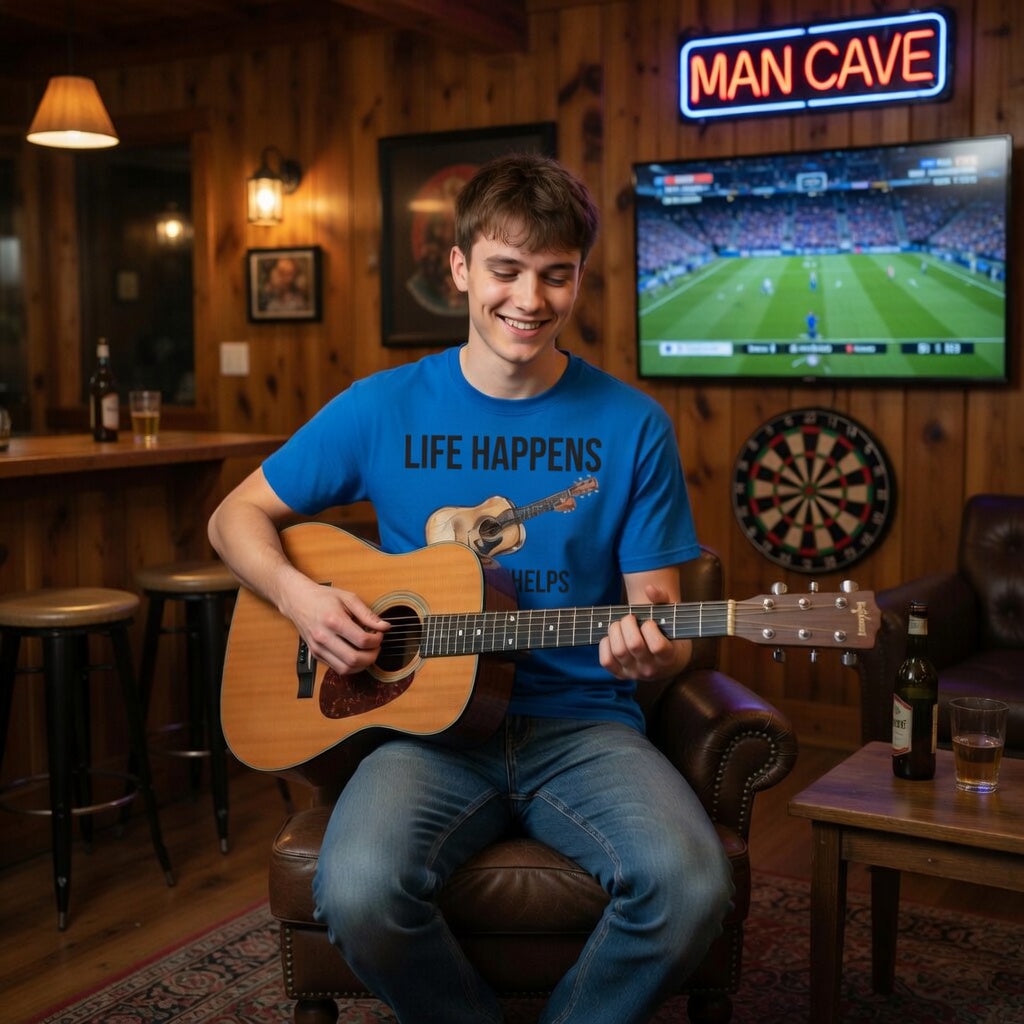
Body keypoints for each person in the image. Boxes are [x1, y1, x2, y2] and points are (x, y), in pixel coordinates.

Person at [208, 152, 733, 1024]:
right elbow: (235, 519)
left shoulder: (633, 424)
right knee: (358, 889)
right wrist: (302, 598)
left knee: (690, 886)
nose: (530, 299)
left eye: (555, 276)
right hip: (424, 732)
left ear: (578, 280)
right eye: (506, 270)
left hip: (583, 726)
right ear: (459, 269)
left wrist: (652, 649)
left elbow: (661, 615)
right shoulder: (381, 406)